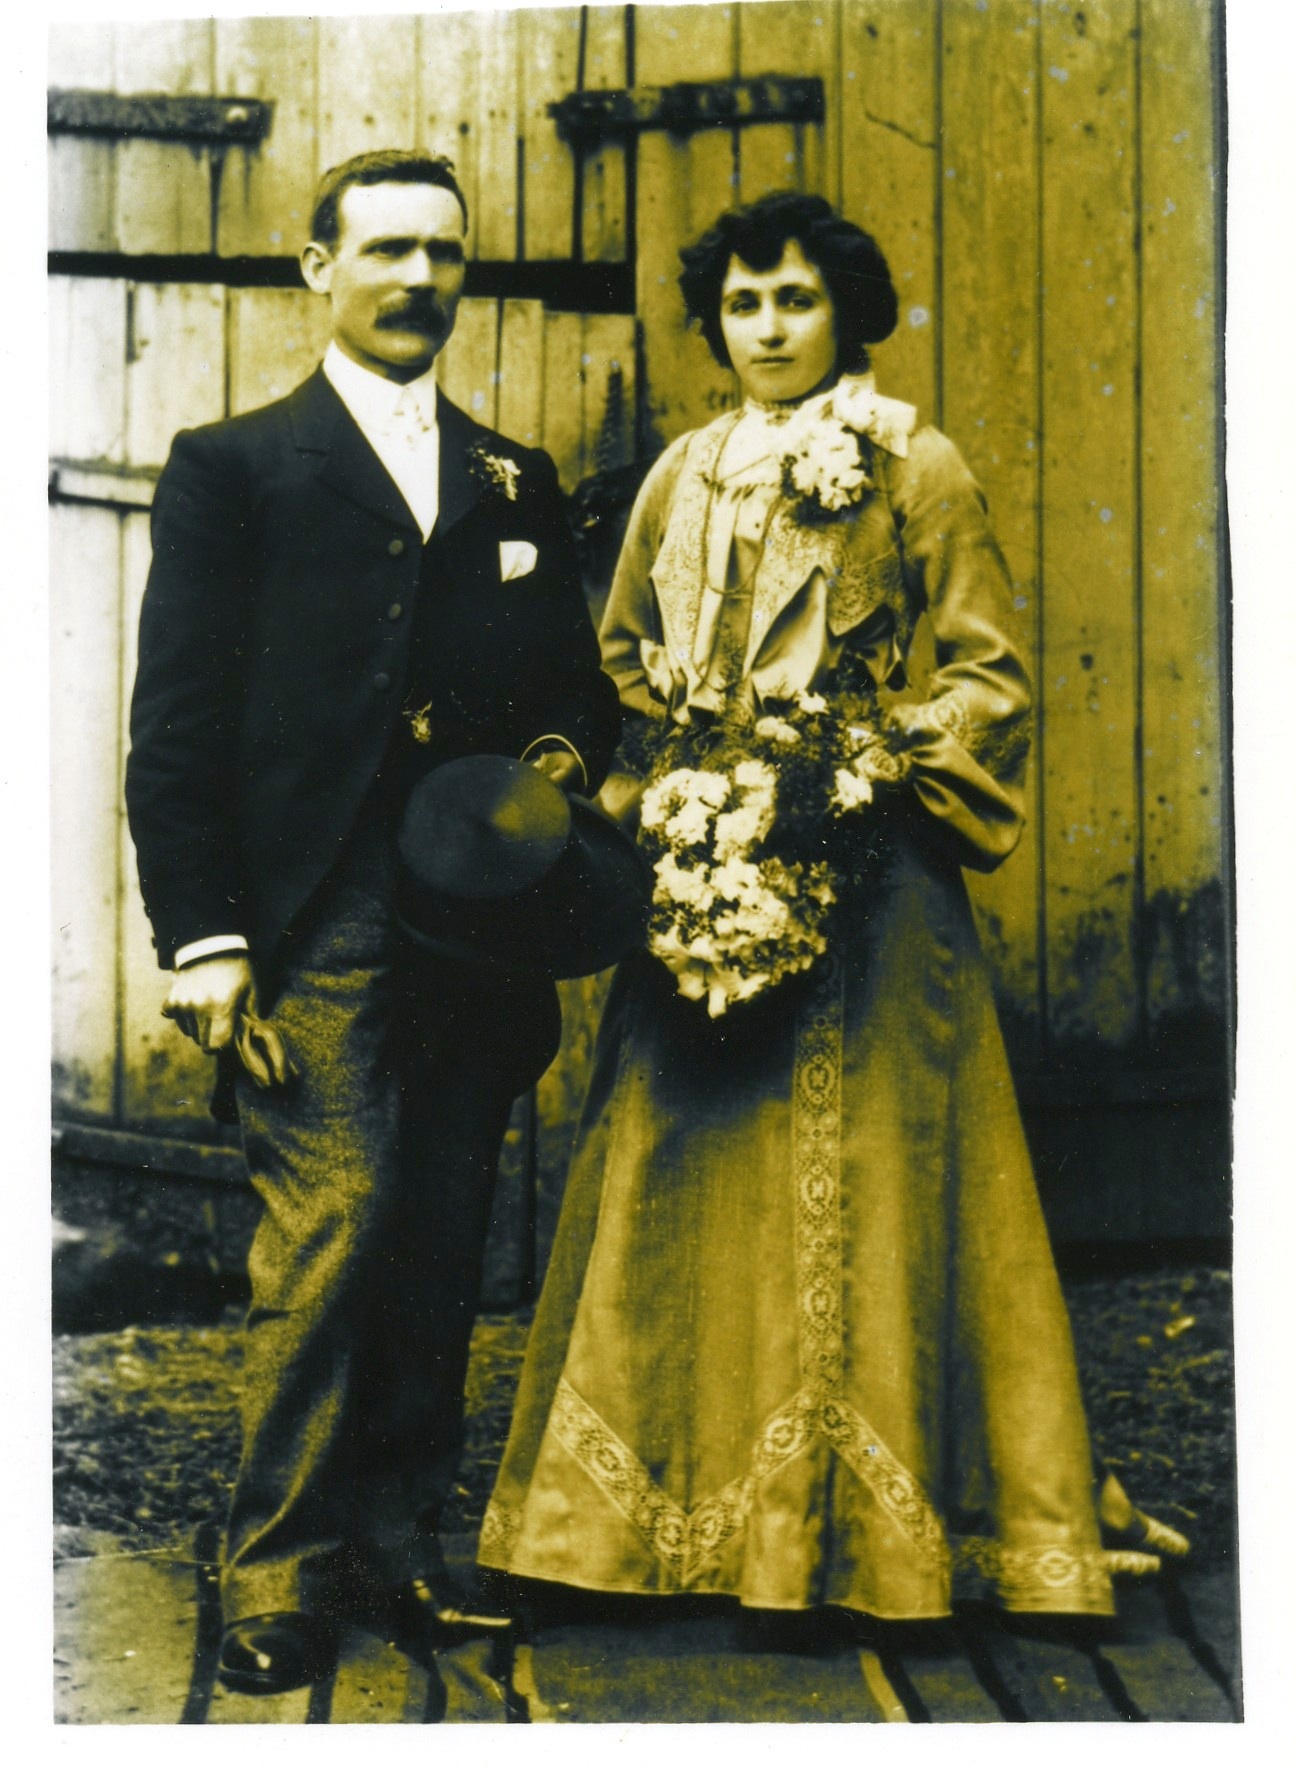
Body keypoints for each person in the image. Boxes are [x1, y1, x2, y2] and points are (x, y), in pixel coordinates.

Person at [478, 192, 1188, 1625]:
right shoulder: (683, 473)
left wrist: (860, 760)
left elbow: (988, 676)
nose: (768, 329)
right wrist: (677, 794)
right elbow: (622, 658)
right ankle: (660, 1534)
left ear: (846, 314)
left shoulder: (914, 462)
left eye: (795, 300)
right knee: (683, 1165)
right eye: (742, 305)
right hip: (703, 874)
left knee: (872, 1182)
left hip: (871, 888)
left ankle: (863, 1538)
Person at [125, 149, 621, 1694]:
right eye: (387, 249)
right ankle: (276, 1570)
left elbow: (576, 693)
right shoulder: (236, 467)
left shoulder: (514, 478)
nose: (417, 279)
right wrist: (207, 939)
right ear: (318, 269)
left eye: (442, 254)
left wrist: (545, 779)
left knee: (441, 1225)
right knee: (333, 1225)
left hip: (473, 917)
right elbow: (176, 731)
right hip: (311, 916)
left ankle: (403, 1542)